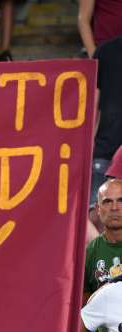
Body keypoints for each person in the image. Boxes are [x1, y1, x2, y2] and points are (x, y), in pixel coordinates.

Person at [84, 179, 122, 332]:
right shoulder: (90, 253)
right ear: (98, 209)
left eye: (121, 201)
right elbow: (78, 317)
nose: (115, 207)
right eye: (107, 201)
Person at [88, 37, 122, 221]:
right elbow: (93, 105)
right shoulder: (104, 52)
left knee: (96, 215)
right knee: (94, 216)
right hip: (105, 153)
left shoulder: (104, 51)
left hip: (105, 151)